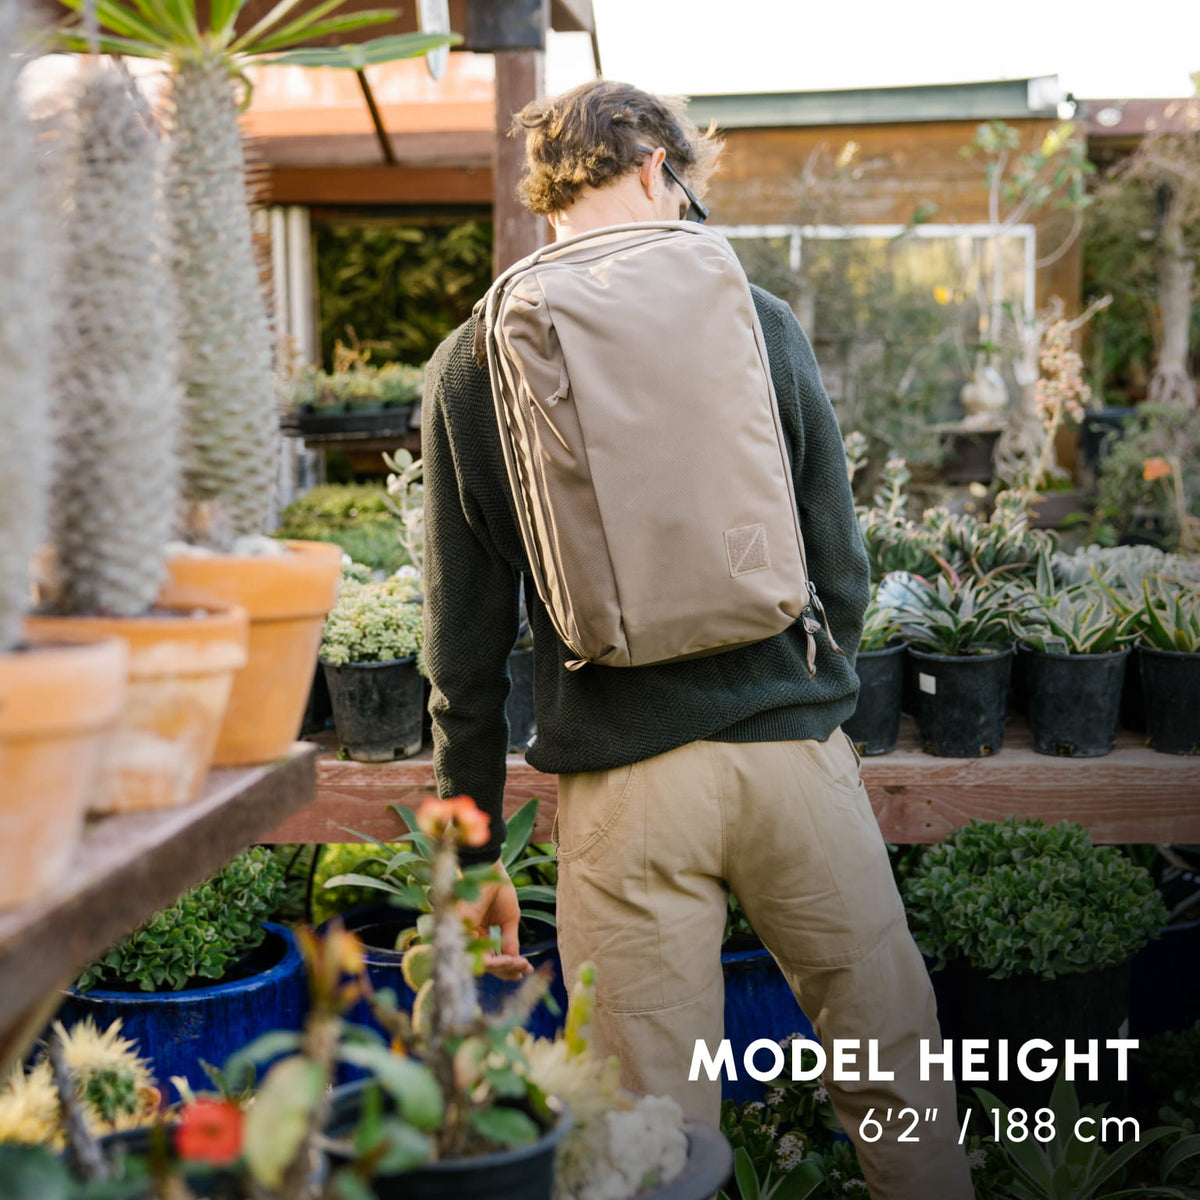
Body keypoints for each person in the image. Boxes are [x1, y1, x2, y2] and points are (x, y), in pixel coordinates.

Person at [420, 78, 973, 1199]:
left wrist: (470, 862)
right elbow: (840, 561)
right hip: (793, 763)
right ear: (652, 168)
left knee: (645, 1138)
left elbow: (462, 652)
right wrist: (811, 698)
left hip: (624, 789)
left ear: (547, 194)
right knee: (896, 1078)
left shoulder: (472, 363)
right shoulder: (755, 317)